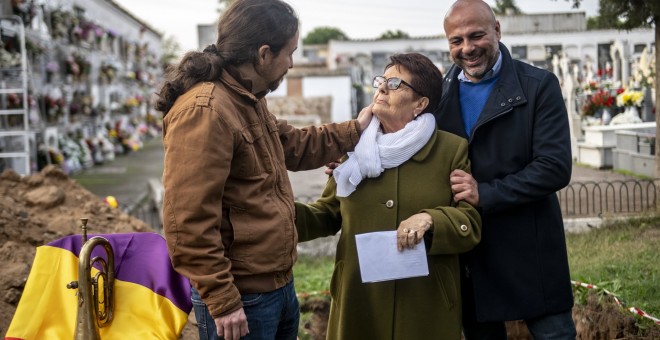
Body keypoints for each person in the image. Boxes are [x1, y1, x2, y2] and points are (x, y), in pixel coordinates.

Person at [154, 1, 372, 339]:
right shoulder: (207, 110)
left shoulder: (246, 99)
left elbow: (294, 145)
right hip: (242, 299)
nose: (292, 63)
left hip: (275, 289)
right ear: (264, 54)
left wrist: (355, 130)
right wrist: (223, 301)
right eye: (290, 52)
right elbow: (187, 221)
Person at [296, 53, 482, 340]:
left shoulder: (450, 150)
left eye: (395, 83)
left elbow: (469, 224)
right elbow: (328, 214)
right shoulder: (353, 149)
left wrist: (430, 219)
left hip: (425, 300)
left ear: (420, 103)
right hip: (359, 297)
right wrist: (277, 211)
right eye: (381, 80)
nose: (382, 88)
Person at [436, 1, 576, 338]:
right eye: (456, 41)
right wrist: (356, 160)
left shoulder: (538, 86)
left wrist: (485, 193)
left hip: (530, 251)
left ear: (497, 30)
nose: (467, 49)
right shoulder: (439, 93)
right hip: (471, 254)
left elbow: (554, 167)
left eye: (476, 36)